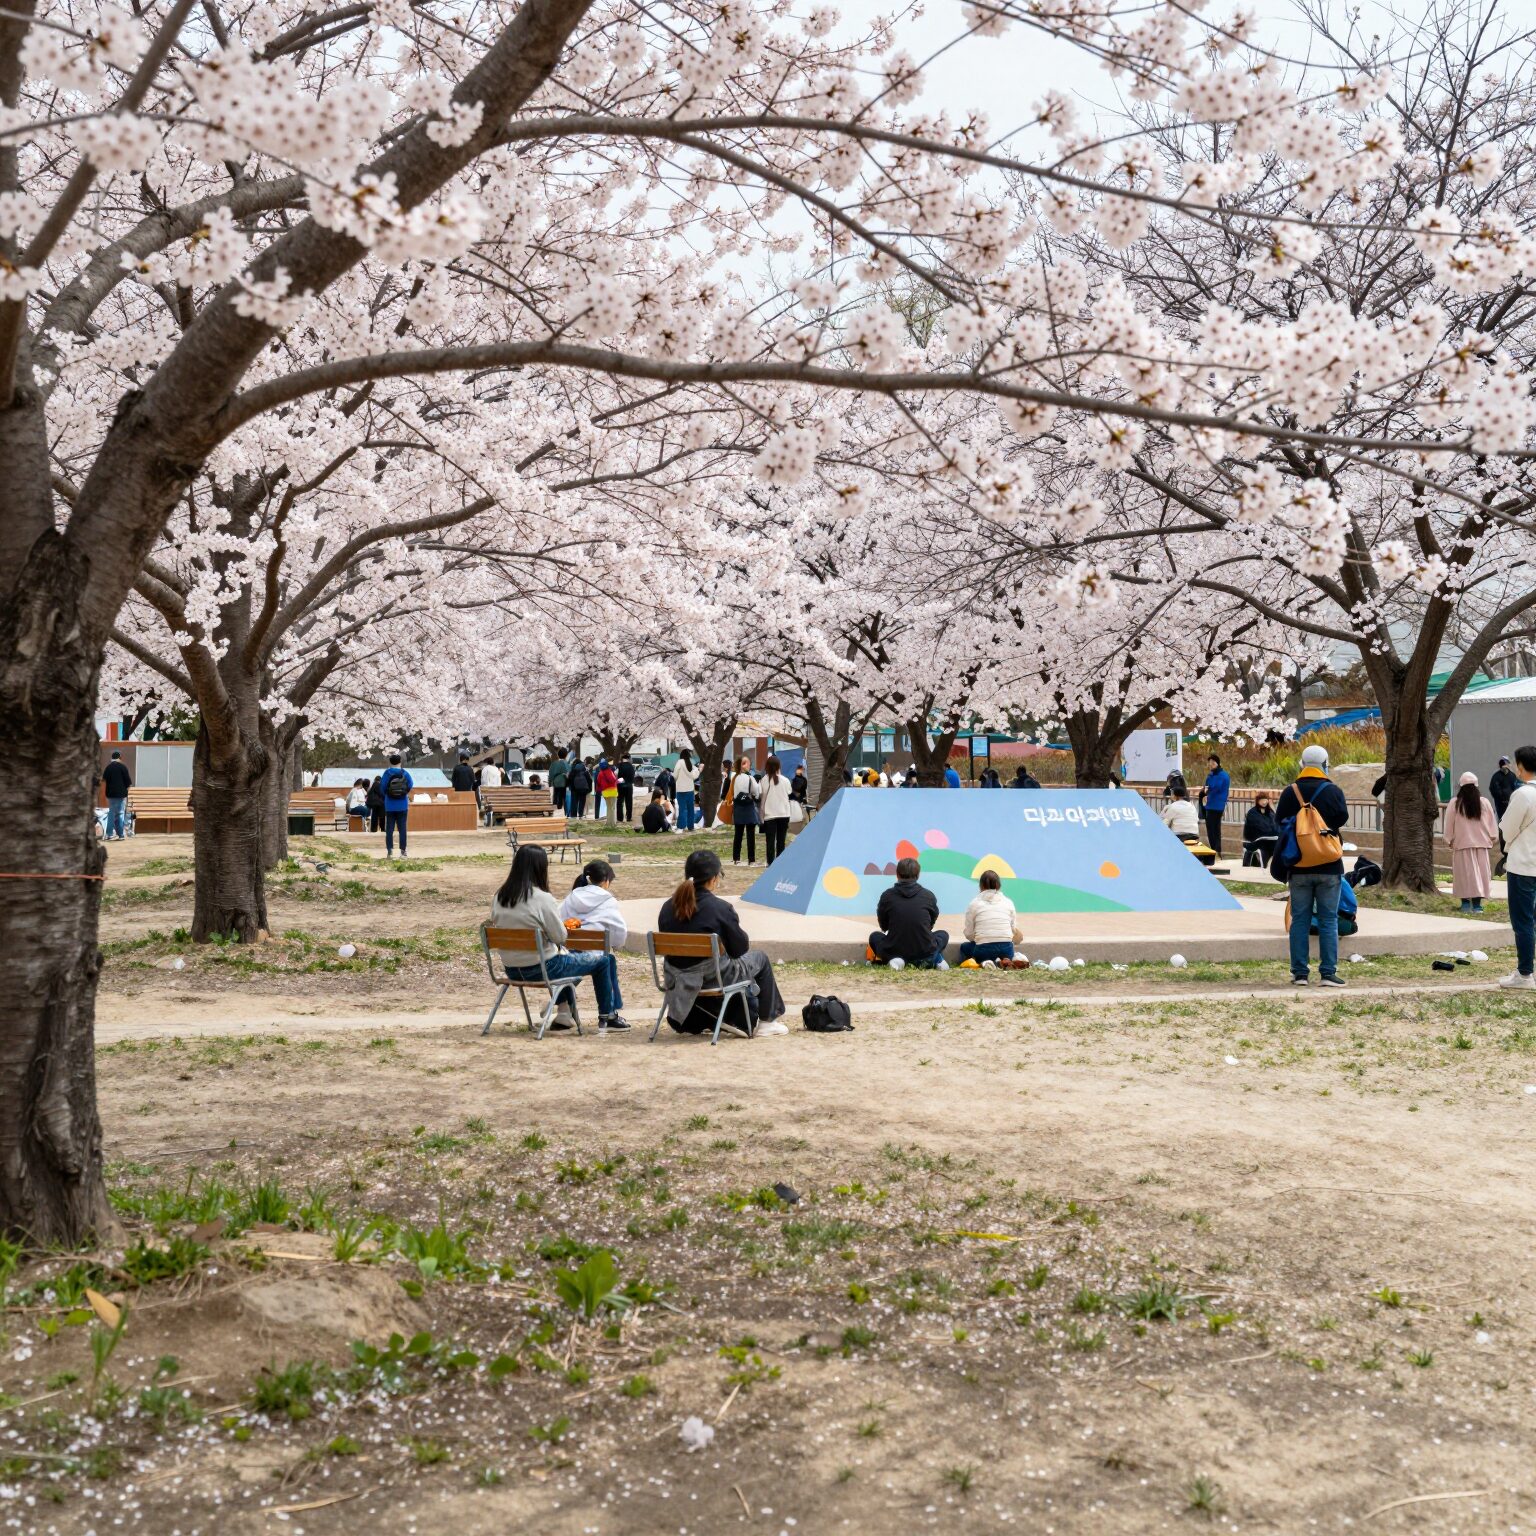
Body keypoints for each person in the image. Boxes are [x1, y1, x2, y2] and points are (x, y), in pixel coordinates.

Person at [490, 846, 627, 1031]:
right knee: (603, 960)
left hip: (512, 969)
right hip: (542, 968)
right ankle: (608, 1017)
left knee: (566, 959)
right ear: (541, 868)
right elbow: (560, 937)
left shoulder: (499, 896)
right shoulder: (542, 899)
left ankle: (564, 1012)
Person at [658, 848, 787, 1036]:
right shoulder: (720, 908)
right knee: (760, 958)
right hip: (714, 976)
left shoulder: (668, 907)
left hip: (677, 976)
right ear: (713, 879)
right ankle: (768, 1021)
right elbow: (740, 949)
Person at [1275, 743, 1349, 988]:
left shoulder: (1290, 792)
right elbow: (1341, 819)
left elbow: (1279, 822)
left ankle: (1299, 973)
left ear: (1302, 764)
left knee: (1300, 920)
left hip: (1298, 866)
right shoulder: (1333, 791)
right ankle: (1328, 973)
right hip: (1329, 865)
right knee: (1328, 920)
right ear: (1326, 764)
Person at [1498, 744, 1536, 990]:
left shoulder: (1522, 794)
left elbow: (1507, 827)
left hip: (1523, 864)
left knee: (1523, 921)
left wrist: (1508, 844)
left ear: (1520, 767)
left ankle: (1524, 974)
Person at [868, 856, 950, 969]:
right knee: (943, 935)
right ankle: (934, 959)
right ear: (918, 875)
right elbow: (930, 923)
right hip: (924, 950)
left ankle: (895, 960)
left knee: (874, 937)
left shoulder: (887, 896)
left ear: (897, 874)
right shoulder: (928, 896)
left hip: (894, 949)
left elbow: (884, 926)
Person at [1444, 772, 1497, 914]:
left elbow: (1449, 823)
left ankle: (1465, 904)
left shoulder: (1455, 803)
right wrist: (1492, 837)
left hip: (1462, 844)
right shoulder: (1484, 802)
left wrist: (1448, 839)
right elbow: (1492, 823)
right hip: (1482, 844)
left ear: (1460, 786)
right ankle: (1478, 905)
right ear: (1476, 785)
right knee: (1481, 875)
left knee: (1463, 875)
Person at [561, 858, 629, 951]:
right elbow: (620, 933)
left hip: (569, 955)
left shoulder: (571, 897)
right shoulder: (608, 900)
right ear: (606, 881)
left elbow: (558, 922)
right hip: (598, 957)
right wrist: (616, 945)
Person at [960, 870, 1022, 965]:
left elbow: (969, 934)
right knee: (1003, 949)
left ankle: (986, 961)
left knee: (964, 947)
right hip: (1006, 948)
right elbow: (1013, 929)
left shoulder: (974, 903)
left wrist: (979, 939)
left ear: (981, 886)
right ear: (999, 886)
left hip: (984, 948)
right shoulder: (1008, 902)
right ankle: (1003, 959)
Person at [759, 754, 792, 864]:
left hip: (769, 815)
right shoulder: (785, 780)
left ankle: (770, 864)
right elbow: (789, 792)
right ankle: (780, 864)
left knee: (770, 841)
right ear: (779, 766)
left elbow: (761, 796)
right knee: (781, 841)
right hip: (784, 814)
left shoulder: (763, 780)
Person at [379, 754, 413, 857]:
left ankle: (390, 851)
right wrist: (403, 793)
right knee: (402, 828)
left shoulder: (387, 773)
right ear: (400, 762)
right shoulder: (405, 773)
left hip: (390, 805)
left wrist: (388, 795)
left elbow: (382, 788)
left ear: (390, 762)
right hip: (402, 805)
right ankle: (403, 851)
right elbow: (410, 785)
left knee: (389, 829)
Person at [1490, 755, 1519, 875]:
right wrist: (1502, 797)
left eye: (1505, 763)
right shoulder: (1496, 777)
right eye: (1502, 764)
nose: (1504, 766)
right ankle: (1504, 850)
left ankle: (1511, 848)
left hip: (1511, 805)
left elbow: (1516, 788)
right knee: (1502, 826)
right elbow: (1493, 789)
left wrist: (1511, 798)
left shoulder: (1512, 776)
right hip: (1501, 806)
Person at [730, 755, 761, 866]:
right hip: (748, 807)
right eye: (747, 763)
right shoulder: (750, 778)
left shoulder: (734, 778)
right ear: (743, 765)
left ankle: (736, 858)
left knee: (738, 834)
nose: (749, 765)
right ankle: (751, 859)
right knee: (750, 834)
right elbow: (756, 792)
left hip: (738, 807)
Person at [1198, 754, 1230, 855]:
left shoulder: (1223, 775)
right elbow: (1207, 786)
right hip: (1209, 805)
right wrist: (1204, 790)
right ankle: (1213, 849)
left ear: (1218, 763)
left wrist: (1207, 789)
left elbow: (1217, 787)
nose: (1211, 765)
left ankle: (1217, 850)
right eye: (1210, 763)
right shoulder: (1210, 775)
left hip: (1218, 805)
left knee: (1215, 828)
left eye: (1213, 763)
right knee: (1210, 828)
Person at [1242, 791, 1279, 866]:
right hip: (1255, 840)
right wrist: (1270, 833)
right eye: (1262, 800)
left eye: (1266, 800)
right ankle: (1262, 865)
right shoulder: (1252, 813)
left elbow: (1275, 825)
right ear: (1257, 801)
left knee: (1279, 846)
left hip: (1270, 840)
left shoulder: (1270, 812)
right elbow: (1258, 828)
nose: (1264, 802)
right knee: (1265, 847)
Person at [102, 749, 132, 840]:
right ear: (119, 757)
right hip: (121, 794)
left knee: (111, 813)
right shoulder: (123, 767)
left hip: (110, 794)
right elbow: (128, 783)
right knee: (120, 813)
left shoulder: (108, 767)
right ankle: (121, 835)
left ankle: (109, 834)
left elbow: (104, 780)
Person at [673, 750, 695, 831]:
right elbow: (694, 775)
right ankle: (691, 826)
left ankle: (681, 826)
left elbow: (675, 775)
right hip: (690, 789)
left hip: (681, 789)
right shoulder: (690, 763)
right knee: (690, 809)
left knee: (682, 808)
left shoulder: (679, 762)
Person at [616, 753, 636, 823]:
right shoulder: (631, 767)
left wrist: (621, 782)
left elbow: (617, 776)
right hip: (629, 787)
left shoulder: (619, 766)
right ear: (628, 759)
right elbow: (633, 777)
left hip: (621, 786)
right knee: (629, 802)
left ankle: (620, 818)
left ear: (622, 759)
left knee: (619, 802)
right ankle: (629, 817)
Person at [550, 749, 569, 813]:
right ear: (566, 755)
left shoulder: (554, 763)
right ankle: (561, 811)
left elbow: (551, 773)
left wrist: (551, 782)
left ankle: (554, 810)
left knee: (555, 796)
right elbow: (568, 773)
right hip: (563, 782)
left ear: (558, 755)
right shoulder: (566, 763)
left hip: (555, 782)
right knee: (562, 797)